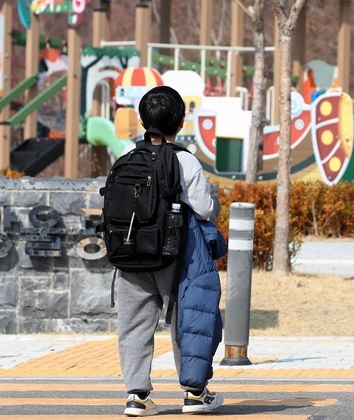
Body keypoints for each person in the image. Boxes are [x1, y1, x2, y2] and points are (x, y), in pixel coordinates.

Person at [116, 86, 224, 417]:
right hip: (172, 253)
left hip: (130, 254)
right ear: (180, 121)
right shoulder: (184, 160)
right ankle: (194, 393)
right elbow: (204, 209)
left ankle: (137, 397)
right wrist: (215, 199)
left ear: (142, 120)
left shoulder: (126, 157)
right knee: (184, 321)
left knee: (134, 325)